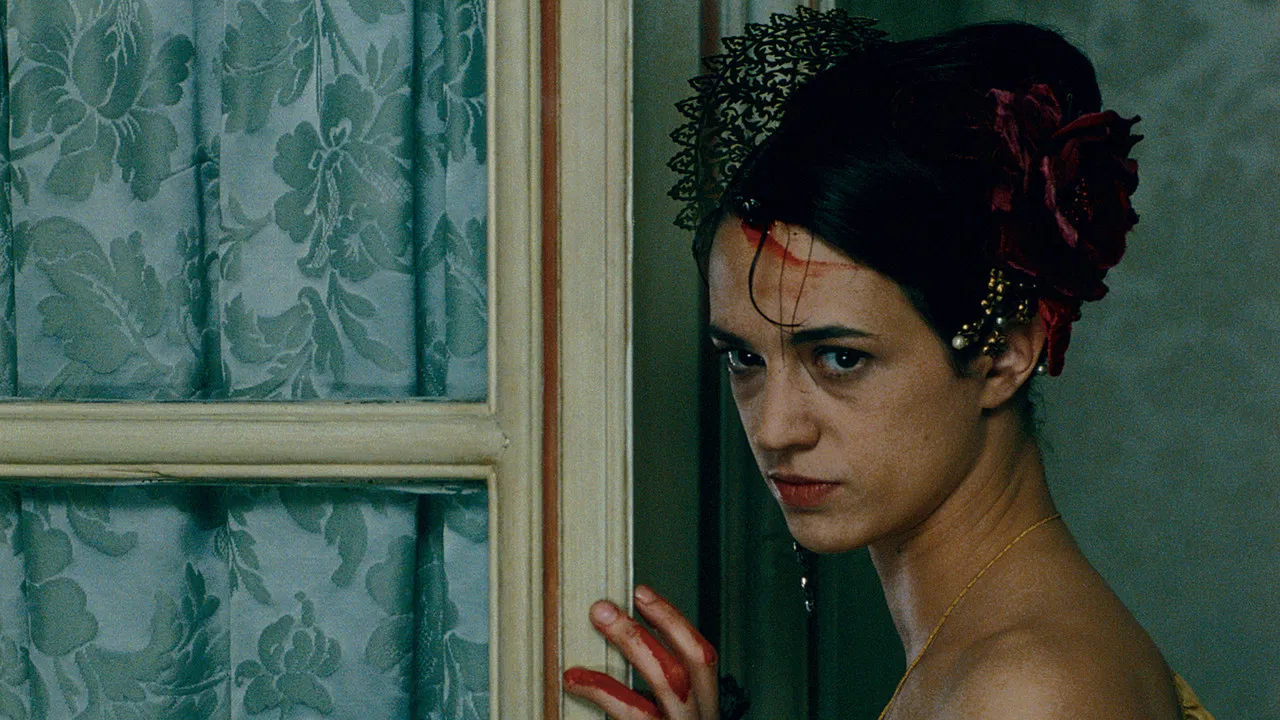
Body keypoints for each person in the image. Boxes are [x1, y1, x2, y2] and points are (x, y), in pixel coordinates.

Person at [563, 10, 1217, 719]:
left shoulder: (1030, 689)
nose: (775, 429)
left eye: (840, 358)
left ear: (1004, 353)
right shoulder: (982, 653)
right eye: (745, 357)